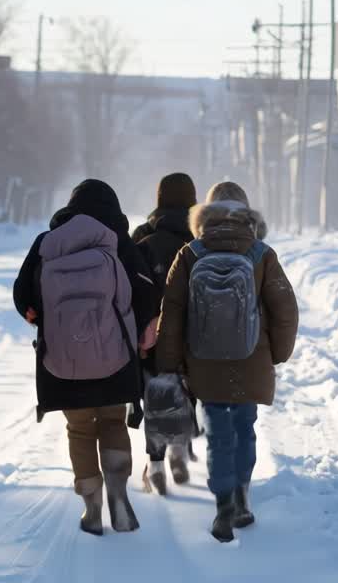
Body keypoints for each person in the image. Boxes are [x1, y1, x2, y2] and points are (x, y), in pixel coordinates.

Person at [12, 179, 159, 536]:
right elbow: (145, 290)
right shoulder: (117, 241)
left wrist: (34, 312)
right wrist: (144, 331)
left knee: (78, 429)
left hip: (62, 361)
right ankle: (120, 497)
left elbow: (22, 294)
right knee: (112, 422)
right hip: (114, 358)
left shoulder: (47, 243)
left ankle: (91, 507)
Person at [155, 181, 298, 543]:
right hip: (251, 357)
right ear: (248, 215)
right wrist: (275, 354)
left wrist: (170, 362)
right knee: (244, 428)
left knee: (218, 433)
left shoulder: (189, 254)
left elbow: (172, 313)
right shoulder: (262, 253)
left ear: (206, 214)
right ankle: (243, 498)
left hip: (204, 362)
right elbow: (285, 311)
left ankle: (223, 505)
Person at [132, 173, 198, 494]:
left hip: (152, 333)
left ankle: (155, 464)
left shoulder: (143, 238)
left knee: (156, 393)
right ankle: (178, 450)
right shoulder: (202, 238)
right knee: (186, 389)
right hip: (193, 333)